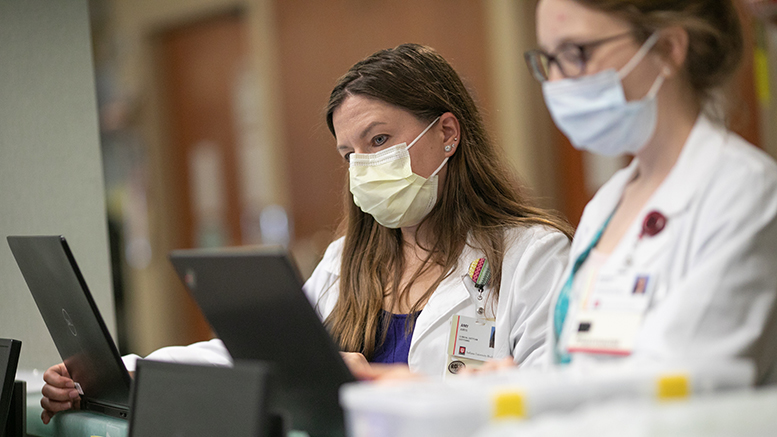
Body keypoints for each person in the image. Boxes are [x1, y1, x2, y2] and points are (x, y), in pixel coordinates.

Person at [39, 43, 573, 423]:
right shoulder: (348, 260)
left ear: (448, 133)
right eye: (350, 154)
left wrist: (392, 388)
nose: (363, 165)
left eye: (380, 139)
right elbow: (252, 356)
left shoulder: (531, 255)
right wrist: (120, 372)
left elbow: (555, 402)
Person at [525, 0, 777, 383]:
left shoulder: (745, 192)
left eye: (577, 53)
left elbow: (680, 385)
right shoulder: (606, 206)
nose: (557, 83)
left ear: (667, 49)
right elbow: (573, 368)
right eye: (549, 60)